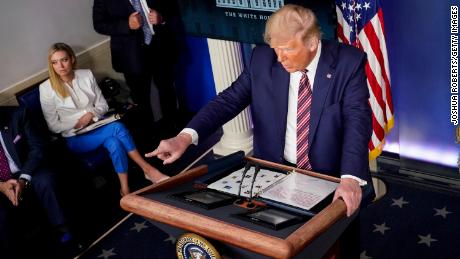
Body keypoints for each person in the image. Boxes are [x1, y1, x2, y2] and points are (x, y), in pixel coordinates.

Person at [147, 4, 375, 217]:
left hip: (330, 176)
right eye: (276, 49)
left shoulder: (348, 63)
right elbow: (228, 101)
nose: (280, 58)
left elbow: (358, 121)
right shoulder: (262, 59)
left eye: (287, 49)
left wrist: (350, 178)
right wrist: (184, 138)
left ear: (312, 42)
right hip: (274, 170)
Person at [39, 43, 168, 196]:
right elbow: (53, 126)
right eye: (55, 62)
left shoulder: (86, 74)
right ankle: (148, 169)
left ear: (72, 59)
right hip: (75, 138)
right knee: (117, 128)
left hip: (98, 127)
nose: (60, 66)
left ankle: (125, 190)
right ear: (51, 65)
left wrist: (90, 115)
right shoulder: (46, 88)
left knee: (114, 142)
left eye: (64, 60)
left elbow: (102, 105)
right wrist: (79, 121)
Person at [0, 106, 79, 258]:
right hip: (1, 183)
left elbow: (37, 148)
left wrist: (23, 179)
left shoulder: (18, 114)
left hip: (26, 168)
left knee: (46, 180)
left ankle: (64, 231)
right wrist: (2, 186)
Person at [92, 0, 179, 131]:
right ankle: (150, 139)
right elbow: (99, 24)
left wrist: (162, 17)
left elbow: (172, 5)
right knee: (141, 99)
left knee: (167, 89)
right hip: (131, 55)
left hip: (159, 47)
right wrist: (126, 25)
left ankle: (174, 131)